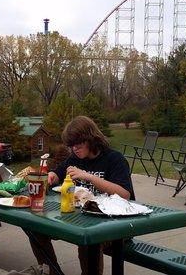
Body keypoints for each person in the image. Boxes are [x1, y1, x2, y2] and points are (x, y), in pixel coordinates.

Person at [28, 116, 134, 275]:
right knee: (35, 228)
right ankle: (52, 272)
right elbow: (58, 173)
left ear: (91, 139)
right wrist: (52, 176)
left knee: (89, 239)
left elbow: (125, 194)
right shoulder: (75, 158)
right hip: (82, 218)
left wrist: (88, 176)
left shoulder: (114, 159)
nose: (75, 149)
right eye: (71, 145)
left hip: (115, 224)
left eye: (78, 144)